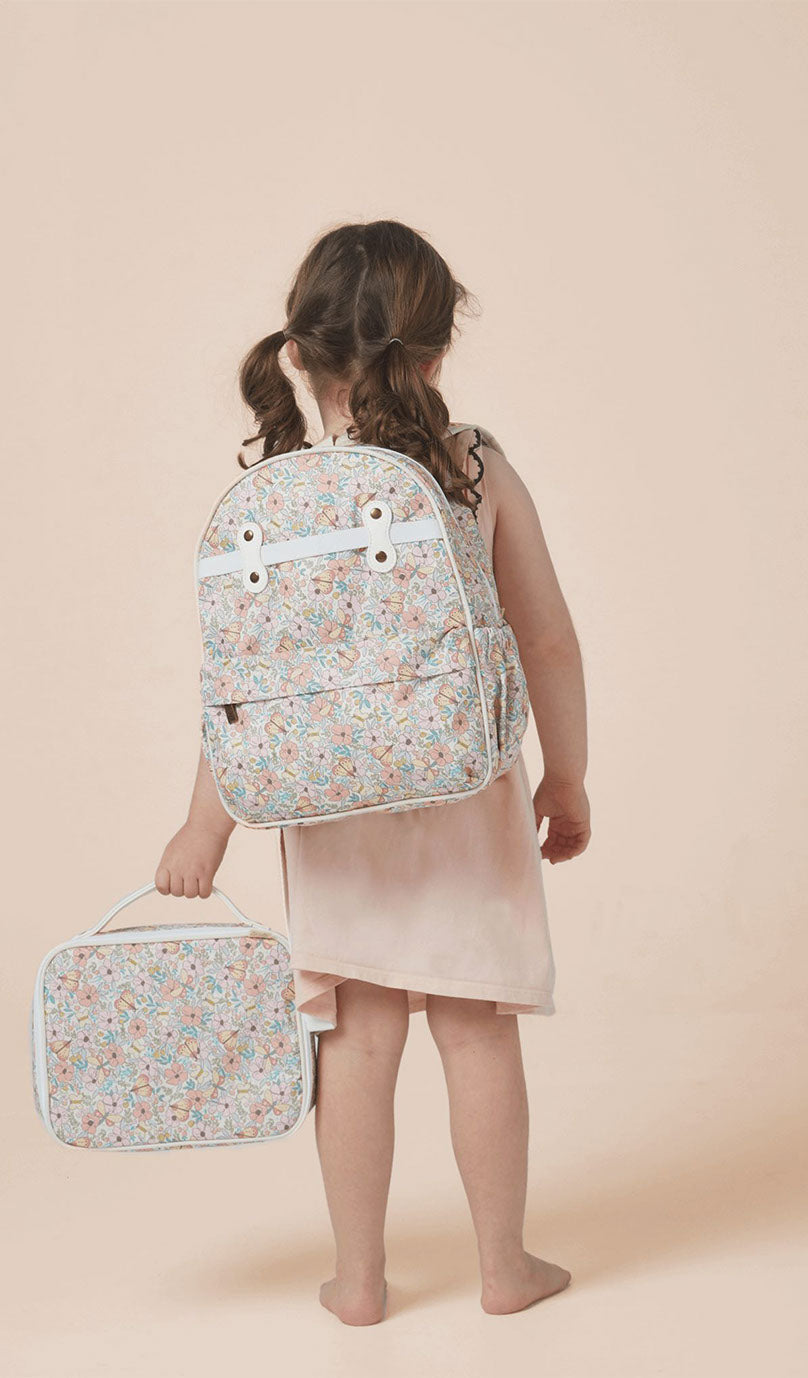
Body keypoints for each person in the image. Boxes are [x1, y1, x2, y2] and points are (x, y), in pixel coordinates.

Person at [155, 220, 590, 1326]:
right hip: (468, 792)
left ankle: (357, 1282)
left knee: (355, 1039)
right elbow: (546, 639)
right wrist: (566, 777)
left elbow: (248, 684)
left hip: (330, 805)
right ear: (435, 353)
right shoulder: (473, 467)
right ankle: (504, 1267)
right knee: (476, 1029)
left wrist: (206, 825)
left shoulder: (282, 493)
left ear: (301, 358)